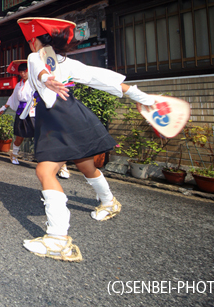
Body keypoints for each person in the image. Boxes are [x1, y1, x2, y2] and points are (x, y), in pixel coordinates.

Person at [17, 17, 155, 262]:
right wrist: (139, 95)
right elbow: (98, 77)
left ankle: (58, 239)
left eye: (31, 39)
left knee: (45, 172)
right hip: (71, 117)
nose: (30, 43)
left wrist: (47, 79)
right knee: (85, 165)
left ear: (39, 40)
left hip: (59, 119)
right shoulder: (65, 61)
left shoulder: (37, 55)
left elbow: (40, 68)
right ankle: (109, 202)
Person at [0, 62, 34, 164]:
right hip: (21, 111)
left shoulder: (35, 82)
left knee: (40, 135)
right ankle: (14, 155)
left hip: (33, 111)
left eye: (24, 71)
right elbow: (12, 97)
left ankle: (52, 161)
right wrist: (4, 107)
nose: (22, 74)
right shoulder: (18, 84)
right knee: (19, 135)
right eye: (21, 72)